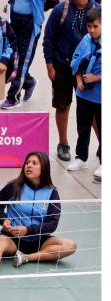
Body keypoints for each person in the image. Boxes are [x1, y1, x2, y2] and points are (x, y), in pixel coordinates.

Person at [0, 151, 77, 278]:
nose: (29, 166)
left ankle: (26, 257)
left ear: (44, 167)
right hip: (13, 239)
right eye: (27, 163)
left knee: (70, 245)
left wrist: (28, 230)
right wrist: (3, 220)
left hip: (39, 239)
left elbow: (52, 224)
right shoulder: (13, 186)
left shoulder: (52, 193)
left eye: (34, 163)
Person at [44, 0, 98, 161]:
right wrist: (50, 66)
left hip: (88, 70)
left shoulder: (98, 10)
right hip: (62, 67)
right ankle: (63, 144)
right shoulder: (60, 10)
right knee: (62, 106)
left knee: (94, 109)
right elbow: (48, 39)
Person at [70, 7, 102, 181]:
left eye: (95, 26)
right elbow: (76, 62)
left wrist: (96, 78)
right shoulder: (85, 40)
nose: (91, 30)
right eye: (89, 26)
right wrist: (78, 81)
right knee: (82, 127)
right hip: (84, 94)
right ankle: (81, 158)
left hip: (102, 96)